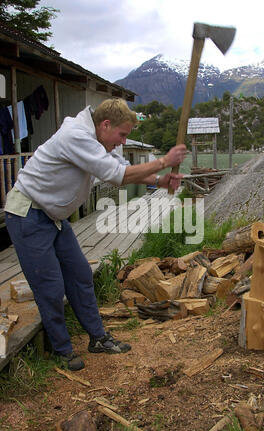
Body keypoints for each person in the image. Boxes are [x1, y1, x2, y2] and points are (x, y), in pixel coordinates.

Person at [4, 98, 186, 371]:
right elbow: (119, 175)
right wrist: (164, 161)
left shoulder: (99, 140)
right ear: (105, 124)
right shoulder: (76, 136)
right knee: (50, 287)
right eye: (122, 135)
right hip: (28, 212)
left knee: (79, 275)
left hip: (52, 216)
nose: (123, 141)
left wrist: (159, 181)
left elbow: (123, 169)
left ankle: (98, 338)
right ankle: (61, 350)